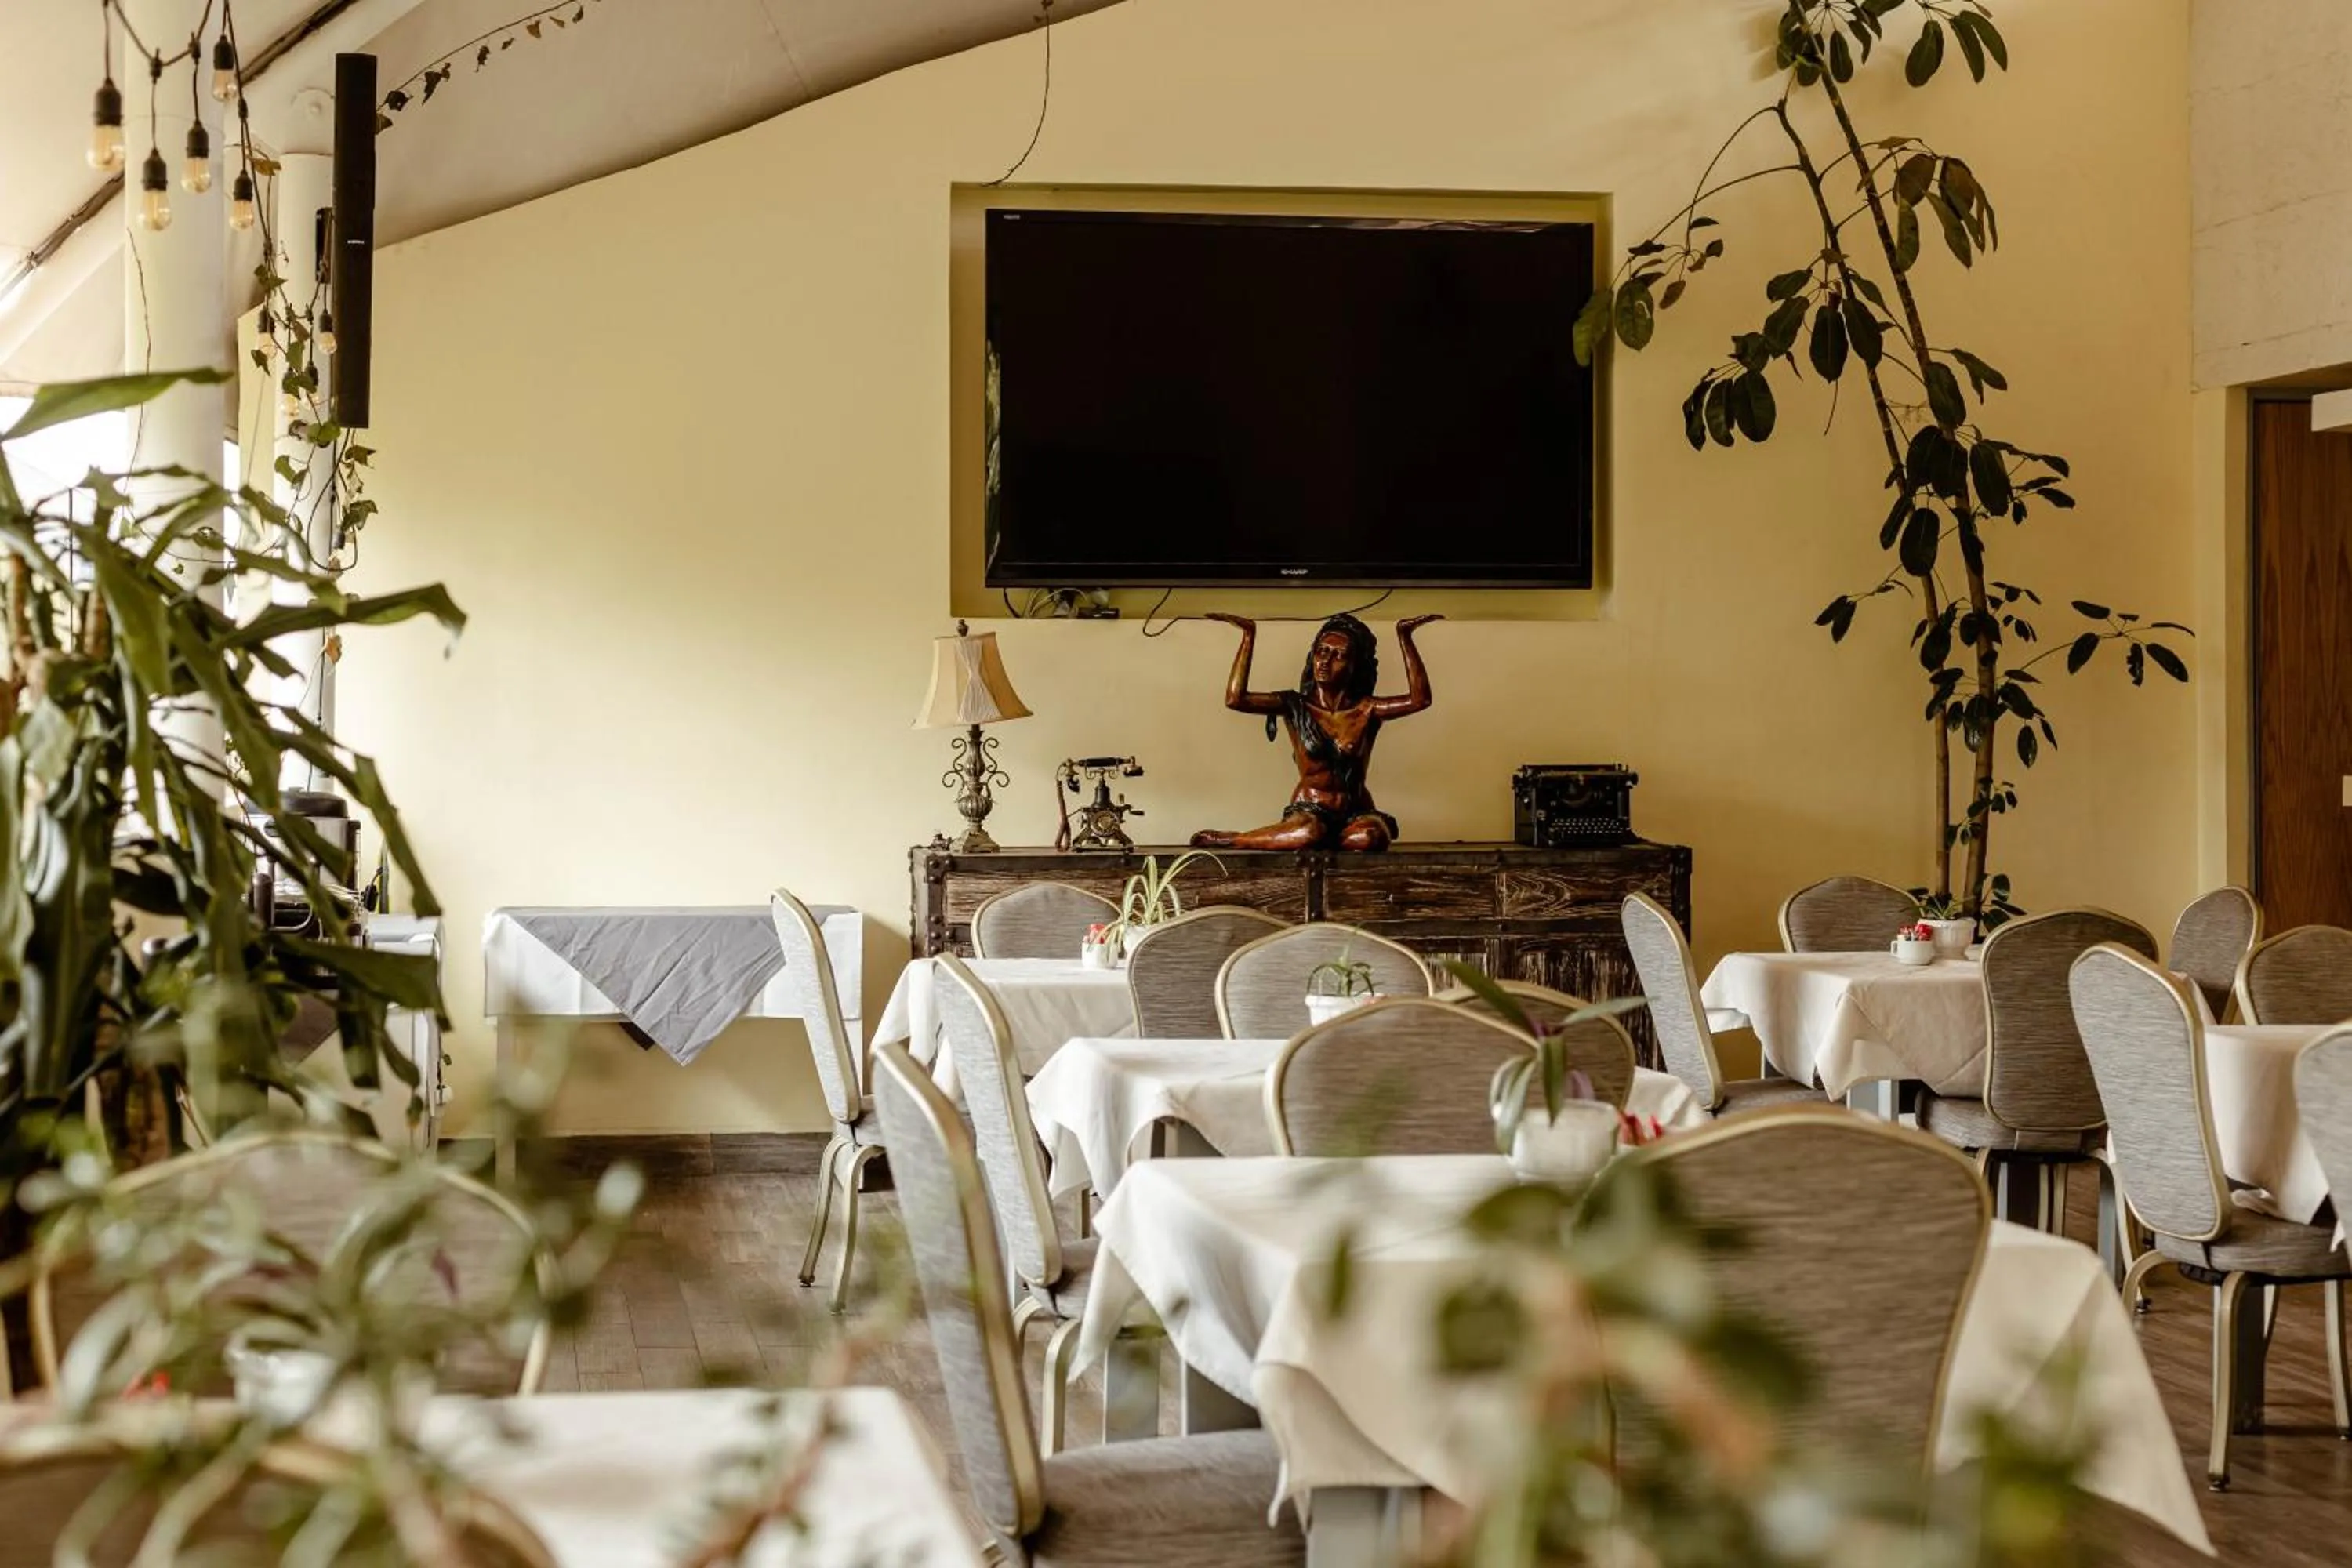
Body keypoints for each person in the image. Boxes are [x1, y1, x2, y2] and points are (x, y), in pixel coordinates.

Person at [1189, 611, 1441, 852]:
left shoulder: (1367, 709)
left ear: (1355, 665)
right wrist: (1248, 636)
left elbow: (1420, 700)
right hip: (1310, 810)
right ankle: (1235, 839)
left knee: (1371, 837)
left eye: (1338, 655)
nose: (1325, 661)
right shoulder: (1294, 705)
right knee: (1309, 832)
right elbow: (1236, 699)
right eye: (1321, 652)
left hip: (1355, 810)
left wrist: (1405, 636)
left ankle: (1322, 840)